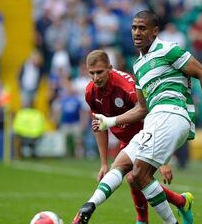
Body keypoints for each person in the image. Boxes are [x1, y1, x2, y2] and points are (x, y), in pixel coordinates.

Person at [73, 10, 202, 224]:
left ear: (154, 31)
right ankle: (90, 205)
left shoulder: (168, 50)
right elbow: (142, 109)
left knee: (139, 175)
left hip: (172, 113)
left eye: (142, 28)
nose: (136, 32)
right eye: (134, 27)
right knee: (124, 167)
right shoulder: (139, 65)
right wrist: (110, 122)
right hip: (154, 119)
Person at [72, 49, 194, 224]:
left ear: (110, 68)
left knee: (134, 177)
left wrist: (163, 161)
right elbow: (99, 126)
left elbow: (148, 112)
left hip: (148, 132)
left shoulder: (126, 85)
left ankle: (146, 219)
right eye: (91, 73)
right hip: (127, 139)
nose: (96, 77)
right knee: (131, 176)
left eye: (99, 72)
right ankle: (181, 202)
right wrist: (104, 163)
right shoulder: (90, 92)